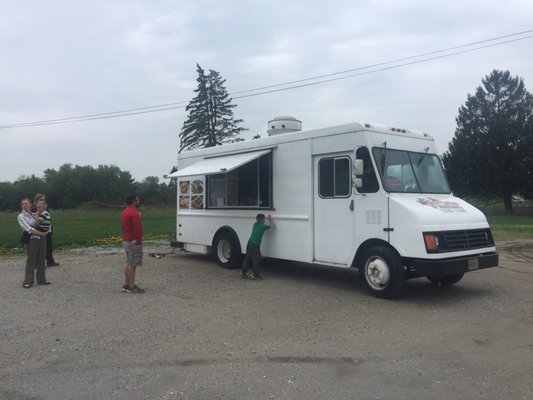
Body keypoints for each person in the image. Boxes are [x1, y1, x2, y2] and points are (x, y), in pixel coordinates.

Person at [17, 198, 50, 288]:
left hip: (42, 239)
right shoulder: (21, 216)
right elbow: (29, 229)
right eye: (23, 204)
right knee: (31, 260)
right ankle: (28, 281)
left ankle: (41, 279)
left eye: (26, 203)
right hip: (32, 239)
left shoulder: (35, 214)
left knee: (42, 259)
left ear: (30, 205)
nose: (25, 205)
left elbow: (43, 222)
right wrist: (42, 233)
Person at [121, 194, 145, 293]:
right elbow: (137, 229)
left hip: (126, 240)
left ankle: (126, 285)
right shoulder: (135, 213)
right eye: (137, 200)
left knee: (128, 263)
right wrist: (139, 242)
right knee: (133, 264)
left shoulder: (124, 212)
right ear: (134, 201)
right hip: (133, 241)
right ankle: (132, 286)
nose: (138, 202)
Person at [240, 214, 276, 280]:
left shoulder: (255, 224)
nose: (265, 220)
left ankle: (243, 272)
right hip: (255, 244)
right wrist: (270, 219)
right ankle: (255, 274)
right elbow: (273, 226)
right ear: (262, 220)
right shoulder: (263, 226)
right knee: (257, 259)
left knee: (248, 257)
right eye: (264, 219)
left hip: (249, 242)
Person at [34, 194, 60, 267]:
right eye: (41, 199)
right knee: (40, 248)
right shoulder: (36, 209)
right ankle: (38, 263)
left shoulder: (44, 209)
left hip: (47, 230)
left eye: (44, 199)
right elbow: (36, 221)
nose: (43, 200)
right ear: (37, 200)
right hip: (40, 231)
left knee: (49, 247)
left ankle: (50, 261)